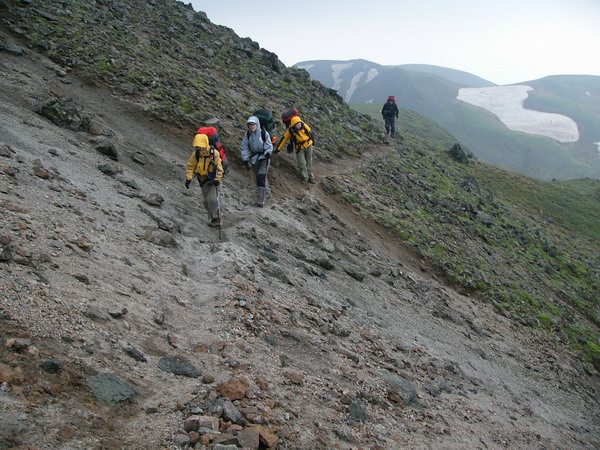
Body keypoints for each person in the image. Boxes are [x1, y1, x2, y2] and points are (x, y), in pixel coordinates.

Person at [184, 133, 224, 227]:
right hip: (203, 180)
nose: (199, 148)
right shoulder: (196, 154)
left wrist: (217, 179)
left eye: (201, 146)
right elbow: (190, 166)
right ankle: (213, 218)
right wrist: (189, 178)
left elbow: (219, 168)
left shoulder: (214, 153)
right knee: (206, 201)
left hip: (214, 180)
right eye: (197, 147)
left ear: (205, 143)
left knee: (212, 199)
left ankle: (217, 218)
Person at [240, 116, 273, 207]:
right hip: (254, 159)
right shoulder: (247, 134)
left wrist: (268, 153)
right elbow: (244, 147)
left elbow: (269, 145)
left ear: (257, 124)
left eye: (253, 124)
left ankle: (261, 199)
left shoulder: (263, 133)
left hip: (264, 158)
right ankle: (267, 192)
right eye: (250, 125)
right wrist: (245, 159)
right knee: (260, 176)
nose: (251, 126)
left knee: (261, 177)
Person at [276, 115, 315, 184]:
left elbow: (310, 133)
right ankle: (305, 178)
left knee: (309, 162)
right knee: (302, 164)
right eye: (297, 124)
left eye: (300, 123)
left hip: (309, 146)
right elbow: (284, 139)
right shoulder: (290, 131)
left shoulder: (304, 125)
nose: (299, 125)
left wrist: (313, 142)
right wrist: (278, 149)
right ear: (294, 125)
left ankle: (311, 178)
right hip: (300, 148)